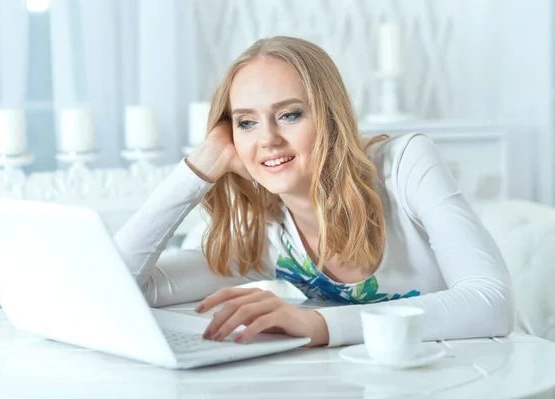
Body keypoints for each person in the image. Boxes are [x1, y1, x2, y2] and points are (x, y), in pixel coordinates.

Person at [114, 36, 515, 347]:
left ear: (329, 117)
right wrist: (198, 167)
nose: (268, 138)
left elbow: (490, 303)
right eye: (246, 122)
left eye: (289, 115)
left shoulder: (405, 165)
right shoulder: (266, 233)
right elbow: (124, 286)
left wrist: (318, 325)